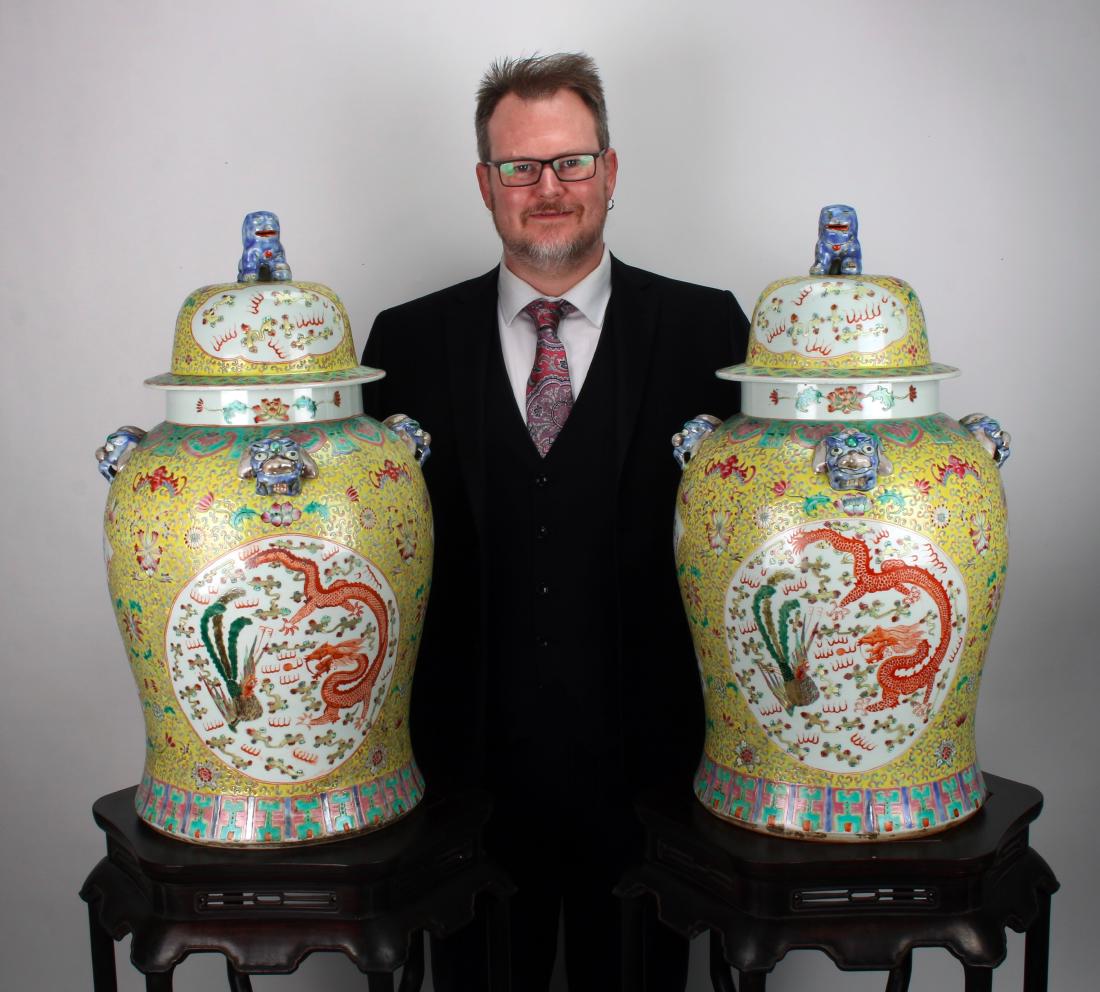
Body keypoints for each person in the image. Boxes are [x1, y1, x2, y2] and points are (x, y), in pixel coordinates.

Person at [362, 52, 749, 992]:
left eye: (571, 163)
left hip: (654, 773)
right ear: (485, 185)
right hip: (462, 780)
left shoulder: (713, 334)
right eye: (521, 168)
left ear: (610, 172)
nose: (549, 189)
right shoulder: (403, 343)